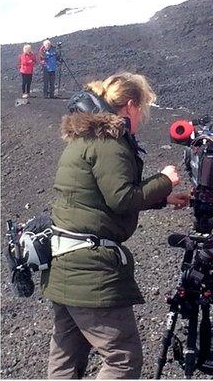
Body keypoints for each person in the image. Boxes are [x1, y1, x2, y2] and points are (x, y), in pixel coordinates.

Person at [41, 72, 189, 379]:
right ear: (131, 105)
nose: (142, 116)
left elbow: (98, 197)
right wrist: (164, 180)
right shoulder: (110, 141)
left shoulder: (87, 137)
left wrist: (163, 198)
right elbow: (121, 198)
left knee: (66, 355)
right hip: (90, 269)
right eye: (143, 109)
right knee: (122, 357)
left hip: (64, 261)